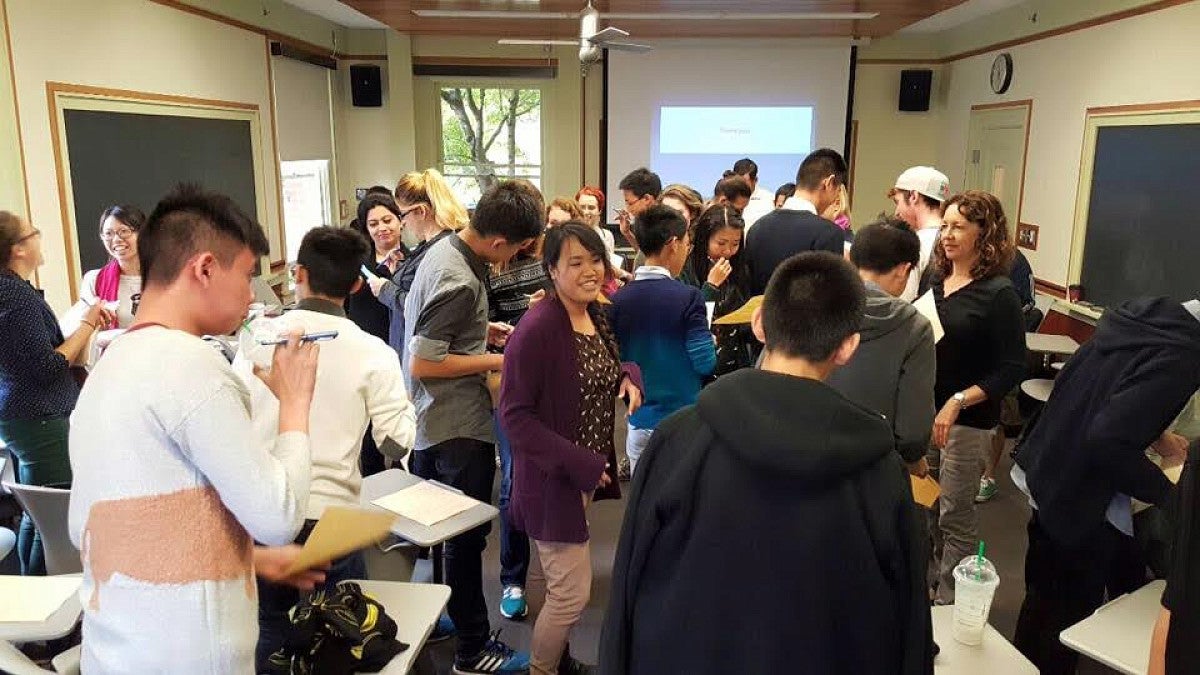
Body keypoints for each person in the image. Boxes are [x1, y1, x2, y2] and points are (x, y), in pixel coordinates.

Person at [600, 252, 933, 675]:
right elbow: (907, 609)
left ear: (759, 323)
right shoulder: (878, 465)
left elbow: (630, 576)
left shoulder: (679, 438)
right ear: (848, 346)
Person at [68, 184, 319, 673]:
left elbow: (122, 528)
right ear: (204, 268)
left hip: (118, 651)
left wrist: (252, 561)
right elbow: (278, 515)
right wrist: (295, 404)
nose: (252, 297)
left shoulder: (111, 365)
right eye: (247, 276)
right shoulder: (190, 366)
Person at [233, 226, 416, 671]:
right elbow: (395, 441)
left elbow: (233, 416)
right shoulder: (373, 352)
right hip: (332, 519)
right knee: (343, 634)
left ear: (298, 273)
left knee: (270, 630)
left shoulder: (256, 338)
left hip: (261, 510)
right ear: (356, 285)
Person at [1012, 297, 1200, 675]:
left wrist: (1155, 434)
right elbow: (1106, 440)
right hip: (1079, 498)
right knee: (1059, 617)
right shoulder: (1185, 354)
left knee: (1042, 602)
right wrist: (1173, 497)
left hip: (1048, 468)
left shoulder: (1144, 321)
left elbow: (1099, 391)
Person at [403, 180, 544, 674]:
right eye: (519, 249)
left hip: (434, 422)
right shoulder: (461, 280)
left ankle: (450, 620)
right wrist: (494, 356)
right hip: (454, 427)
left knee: (449, 539)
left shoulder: (445, 248)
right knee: (465, 541)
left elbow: (427, 325)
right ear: (502, 243)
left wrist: (480, 330)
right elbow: (423, 361)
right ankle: (472, 648)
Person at [501, 222, 644, 675]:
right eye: (575, 262)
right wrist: (581, 463)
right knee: (571, 595)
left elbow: (607, 362)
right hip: (552, 480)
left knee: (548, 579)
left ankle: (556, 661)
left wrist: (628, 376)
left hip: (577, 476)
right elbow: (515, 417)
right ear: (552, 270)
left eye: (595, 260)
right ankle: (542, 669)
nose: (589, 271)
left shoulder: (593, 313)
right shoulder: (538, 328)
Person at [926, 190, 1026, 605]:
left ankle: (950, 600)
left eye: (959, 227)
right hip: (924, 414)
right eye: (945, 225)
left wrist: (959, 399)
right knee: (924, 507)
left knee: (954, 512)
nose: (947, 235)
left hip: (967, 420)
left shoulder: (998, 292)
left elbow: (1012, 367)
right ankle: (925, 590)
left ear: (984, 234)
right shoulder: (935, 282)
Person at [0, 212, 112, 575]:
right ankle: (44, 604)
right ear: (18, 249)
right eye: (33, 234)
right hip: (39, 418)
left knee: (37, 515)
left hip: (26, 416)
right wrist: (88, 323)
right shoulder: (15, 297)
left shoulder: (12, 290)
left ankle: (35, 595)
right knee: (52, 516)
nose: (38, 239)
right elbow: (47, 366)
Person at [610, 205, 715, 475]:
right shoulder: (688, 297)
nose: (686, 252)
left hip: (638, 419)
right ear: (673, 243)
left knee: (641, 505)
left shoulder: (618, 300)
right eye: (687, 244)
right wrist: (711, 344)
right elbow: (704, 363)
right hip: (681, 420)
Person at [827, 219, 935, 475]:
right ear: (903, 270)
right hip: (875, 465)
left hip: (805, 452)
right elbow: (913, 430)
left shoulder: (815, 303)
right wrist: (913, 458)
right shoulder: (915, 327)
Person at [487, 184, 549, 622]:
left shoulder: (548, 265)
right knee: (512, 483)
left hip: (550, 385)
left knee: (550, 481)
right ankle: (513, 577)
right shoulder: (483, 273)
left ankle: (563, 572)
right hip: (506, 385)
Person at [368, 169, 470, 365]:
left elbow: (424, 307)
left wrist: (386, 289)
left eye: (403, 215)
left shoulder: (441, 252)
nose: (403, 223)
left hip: (422, 359)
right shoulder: (428, 246)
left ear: (421, 211)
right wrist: (399, 270)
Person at [745, 148, 849, 295]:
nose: (835, 199)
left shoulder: (757, 228)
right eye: (838, 191)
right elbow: (828, 298)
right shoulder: (829, 233)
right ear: (829, 183)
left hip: (761, 316)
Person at [681, 203, 753, 376]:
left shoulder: (740, 267)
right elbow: (688, 319)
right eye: (721, 243)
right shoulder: (685, 267)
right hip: (700, 362)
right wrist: (711, 286)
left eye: (735, 244)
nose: (728, 251)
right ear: (704, 239)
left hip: (735, 361)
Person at [347, 190, 408, 343]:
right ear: (366, 229)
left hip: (401, 346)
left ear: (400, 221)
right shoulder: (354, 262)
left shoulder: (415, 261)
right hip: (363, 346)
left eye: (387, 220)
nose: (382, 228)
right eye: (373, 224)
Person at [889, 166, 950, 302]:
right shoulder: (957, 241)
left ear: (913, 196)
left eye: (897, 202)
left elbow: (903, 304)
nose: (896, 212)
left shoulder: (914, 244)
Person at [79, 204, 145, 329]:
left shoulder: (164, 277)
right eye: (108, 233)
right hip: (114, 347)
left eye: (124, 231)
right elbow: (86, 329)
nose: (116, 239)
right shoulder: (94, 280)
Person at [615, 167, 661, 256]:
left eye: (630, 203)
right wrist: (627, 233)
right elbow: (645, 254)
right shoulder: (642, 220)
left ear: (647, 199)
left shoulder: (665, 224)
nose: (628, 209)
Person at [574, 186, 615, 259]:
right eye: (582, 207)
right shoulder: (570, 234)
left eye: (591, 207)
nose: (586, 212)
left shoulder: (607, 236)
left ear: (600, 211)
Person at [732, 157, 775, 229]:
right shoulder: (728, 198)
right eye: (738, 182)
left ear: (755, 180)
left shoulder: (770, 199)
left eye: (744, 182)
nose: (740, 186)